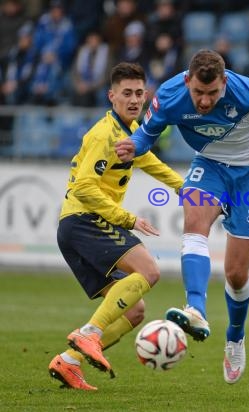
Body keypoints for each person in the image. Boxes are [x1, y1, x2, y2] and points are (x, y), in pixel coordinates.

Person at [115, 49, 249, 384]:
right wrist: (134, 145)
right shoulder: (171, 97)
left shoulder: (247, 92)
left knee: (235, 274)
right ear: (187, 81)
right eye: (198, 93)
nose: (204, 101)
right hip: (211, 165)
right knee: (194, 223)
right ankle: (196, 310)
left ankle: (235, 337)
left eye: (212, 93)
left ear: (224, 82)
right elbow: (146, 135)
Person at [49, 62, 184, 391]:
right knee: (149, 271)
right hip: (83, 219)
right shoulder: (103, 134)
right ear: (112, 96)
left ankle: (69, 361)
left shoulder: (133, 132)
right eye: (127, 93)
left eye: (140, 92)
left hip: (78, 227)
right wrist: (128, 219)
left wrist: (187, 189)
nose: (135, 99)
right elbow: (83, 188)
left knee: (135, 311)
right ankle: (89, 334)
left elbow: (152, 163)